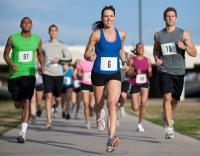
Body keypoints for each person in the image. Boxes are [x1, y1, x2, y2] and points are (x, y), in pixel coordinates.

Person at [84, 5, 129, 152]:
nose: (109, 18)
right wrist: (90, 56)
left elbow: (121, 51)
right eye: (106, 16)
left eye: (111, 16)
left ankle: (110, 138)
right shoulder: (97, 34)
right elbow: (86, 53)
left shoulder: (121, 34)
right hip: (98, 73)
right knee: (98, 104)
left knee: (112, 104)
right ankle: (98, 115)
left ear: (115, 17)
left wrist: (124, 62)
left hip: (114, 73)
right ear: (102, 18)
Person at [153, 7, 197, 139]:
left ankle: (167, 115)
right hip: (165, 69)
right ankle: (169, 127)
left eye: (172, 16)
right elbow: (156, 50)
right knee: (167, 97)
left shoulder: (184, 34)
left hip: (179, 71)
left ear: (176, 18)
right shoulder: (158, 35)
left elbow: (194, 53)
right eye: (168, 16)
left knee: (175, 100)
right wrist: (157, 58)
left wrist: (185, 47)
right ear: (164, 18)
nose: (170, 18)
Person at [3, 17, 44, 143]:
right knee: (17, 104)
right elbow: (5, 54)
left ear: (32, 25)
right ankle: (21, 105)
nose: (26, 24)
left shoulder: (37, 40)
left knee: (27, 100)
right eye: (24, 22)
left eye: (29, 23)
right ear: (20, 25)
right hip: (14, 75)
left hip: (29, 74)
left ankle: (22, 133)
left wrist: (42, 65)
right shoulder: (12, 38)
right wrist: (11, 64)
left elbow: (40, 53)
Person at [42, 24, 72, 129]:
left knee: (58, 97)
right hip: (47, 73)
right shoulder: (44, 46)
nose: (53, 32)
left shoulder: (62, 46)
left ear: (57, 32)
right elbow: (39, 57)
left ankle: (56, 106)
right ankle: (49, 121)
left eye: (55, 31)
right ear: (49, 32)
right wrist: (40, 66)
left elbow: (69, 59)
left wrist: (59, 60)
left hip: (59, 74)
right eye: (51, 31)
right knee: (48, 96)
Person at [126, 43, 152, 132]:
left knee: (144, 103)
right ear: (136, 49)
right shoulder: (131, 60)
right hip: (134, 83)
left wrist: (149, 72)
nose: (141, 49)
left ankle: (140, 124)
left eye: (142, 47)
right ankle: (134, 105)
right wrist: (135, 73)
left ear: (144, 49)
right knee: (135, 108)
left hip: (145, 83)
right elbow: (127, 74)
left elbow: (150, 75)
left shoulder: (148, 60)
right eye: (139, 47)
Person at [77, 59, 94, 129]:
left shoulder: (96, 61)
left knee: (92, 105)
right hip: (84, 83)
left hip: (94, 84)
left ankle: (92, 112)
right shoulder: (81, 62)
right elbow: (78, 74)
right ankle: (87, 122)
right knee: (86, 103)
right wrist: (79, 74)